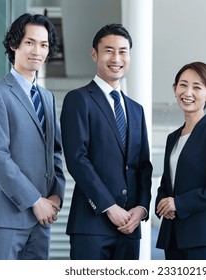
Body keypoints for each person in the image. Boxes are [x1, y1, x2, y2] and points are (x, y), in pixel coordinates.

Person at [0, 13, 65, 260]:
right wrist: (35, 200)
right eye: (30, 42)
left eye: (44, 45)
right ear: (14, 45)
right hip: (5, 218)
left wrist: (56, 193)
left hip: (41, 221)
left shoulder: (47, 97)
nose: (37, 51)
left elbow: (54, 151)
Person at [60, 23, 153, 260]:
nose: (116, 58)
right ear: (95, 54)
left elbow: (143, 165)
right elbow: (77, 159)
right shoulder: (78, 99)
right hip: (91, 225)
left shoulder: (136, 110)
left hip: (130, 227)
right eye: (109, 50)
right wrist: (109, 207)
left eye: (123, 51)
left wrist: (141, 209)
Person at [155, 62, 206, 260]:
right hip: (174, 236)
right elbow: (167, 183)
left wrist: (180, 203)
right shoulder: (172, 138)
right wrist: (162, 202)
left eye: (197, 87)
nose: (188, 92)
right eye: (183, 85)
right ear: (175, 89)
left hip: (205, 237)